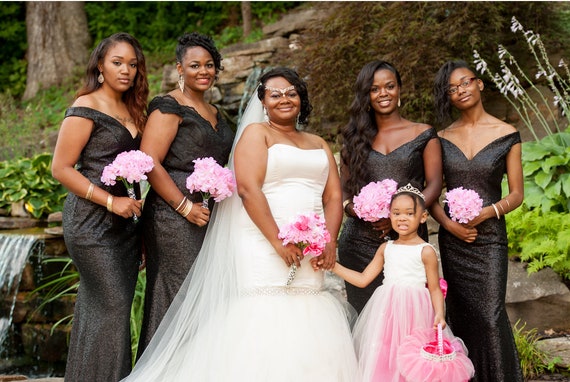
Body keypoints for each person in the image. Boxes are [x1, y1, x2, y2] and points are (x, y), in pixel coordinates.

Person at [123, 67, 358, 381]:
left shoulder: (318, 142)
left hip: (311, 244)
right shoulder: (256, 135)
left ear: (302, 99)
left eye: (292, 93)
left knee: (308, 307)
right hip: (264, 241)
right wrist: (278, 241)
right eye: (275, 94)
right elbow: (248, 189)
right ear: (263, 102)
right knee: (264, 309)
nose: (285, 99)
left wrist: (328, 240)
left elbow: (332, 195)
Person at [51, 32, 149, 381]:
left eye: (132, 64)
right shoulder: (85, 106)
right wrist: (111, 201)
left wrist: (140, 229)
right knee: (115, 308)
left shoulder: (135, 108)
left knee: (100, 310)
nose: (126, 70)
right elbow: (60, 168)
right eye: (117, 62)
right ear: (101, 66)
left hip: (125, 227)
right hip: (91, 223)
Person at [136, 32, 234, 355]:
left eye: (209, 65)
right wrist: (184, 207)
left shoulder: (218, 113)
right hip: (172, 216)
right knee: (178, 295)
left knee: (205, 296)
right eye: (195, 65)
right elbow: (149, 162)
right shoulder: (169, 107)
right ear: (180, 68)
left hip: (209, 216)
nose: (203, 71)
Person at [316, 185, 471, 381]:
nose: (402, 218)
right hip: (387, 311)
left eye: (409, 213)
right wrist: (332, 266)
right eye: (396, 213)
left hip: (416, 311)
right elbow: (363, 279)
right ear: (389, 215)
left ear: (422, 217)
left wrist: (440, 313)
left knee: (413, 356)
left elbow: (434, 288)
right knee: (385, 354)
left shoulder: (426, 251)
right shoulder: (385, 248)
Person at [431, 60, 524, 381]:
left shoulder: (507, 134)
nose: (460, 91)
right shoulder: (441, 137)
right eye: (452, 89)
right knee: (461, 313)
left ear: (479, 83)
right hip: (454, 240)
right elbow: (431, 192)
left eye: (465, 83)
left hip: (490, 238)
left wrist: (487, 212)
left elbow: (516, 195)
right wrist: (448, 224)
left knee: (489, 314)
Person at [338, 60, 442, 313]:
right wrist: (359, 211)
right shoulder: (354, 139)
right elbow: (343, 193)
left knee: (410, 317)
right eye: (374, 89)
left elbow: (435, 184)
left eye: (389, 86)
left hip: (407, 239)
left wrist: (401, 216)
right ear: (366, 95)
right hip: (359, 241)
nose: (383, 93)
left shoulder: (424, 133)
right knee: (366, 322)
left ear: (399, 90)